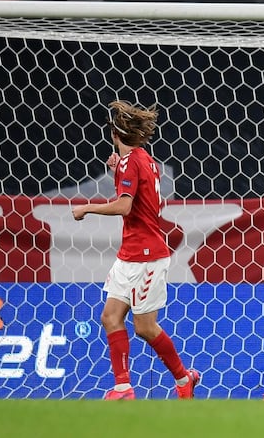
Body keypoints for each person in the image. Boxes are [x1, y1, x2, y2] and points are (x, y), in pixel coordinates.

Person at [72, 100, 199, 400]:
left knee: (144, 326)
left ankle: (183, 379)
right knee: (110, 317)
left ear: (115, 135)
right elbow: (136, 189)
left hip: (147, 257)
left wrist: (87, 208)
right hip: (129, 254)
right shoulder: (144, 160)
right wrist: (118, 170)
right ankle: (123, 387)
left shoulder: (132, 163)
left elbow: (125, 205)